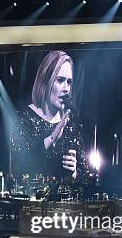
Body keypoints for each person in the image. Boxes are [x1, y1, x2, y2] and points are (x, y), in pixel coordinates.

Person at [11, 50, 92, 187]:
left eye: (69, 82)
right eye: (60, 80)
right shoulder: (24, 118)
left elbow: (85, 178)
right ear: (45, 81)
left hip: (63, 205)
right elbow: (20, 166)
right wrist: (53, 136)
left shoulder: (70, 123)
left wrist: (74, 173)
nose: (66, 88)